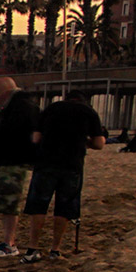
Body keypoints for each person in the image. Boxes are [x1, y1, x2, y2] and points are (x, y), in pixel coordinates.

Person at [22, 90, 106, 262]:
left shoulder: (51, 109)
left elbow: (36, 138)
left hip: (46, 163)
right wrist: (85, 141)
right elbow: (99, 144)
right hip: (72, 164)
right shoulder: (88, 112)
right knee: (64, 207)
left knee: (39, 205)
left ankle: (32, 248)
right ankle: (55, 249)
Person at [0, 77, 41, 259]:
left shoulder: (20, 107)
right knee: (7, 201)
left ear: (4, 92)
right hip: (11, 159)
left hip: (13, 160)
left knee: (9, 201)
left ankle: (9, 243)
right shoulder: (21, 104)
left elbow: (11, 132)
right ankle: (8, 242)